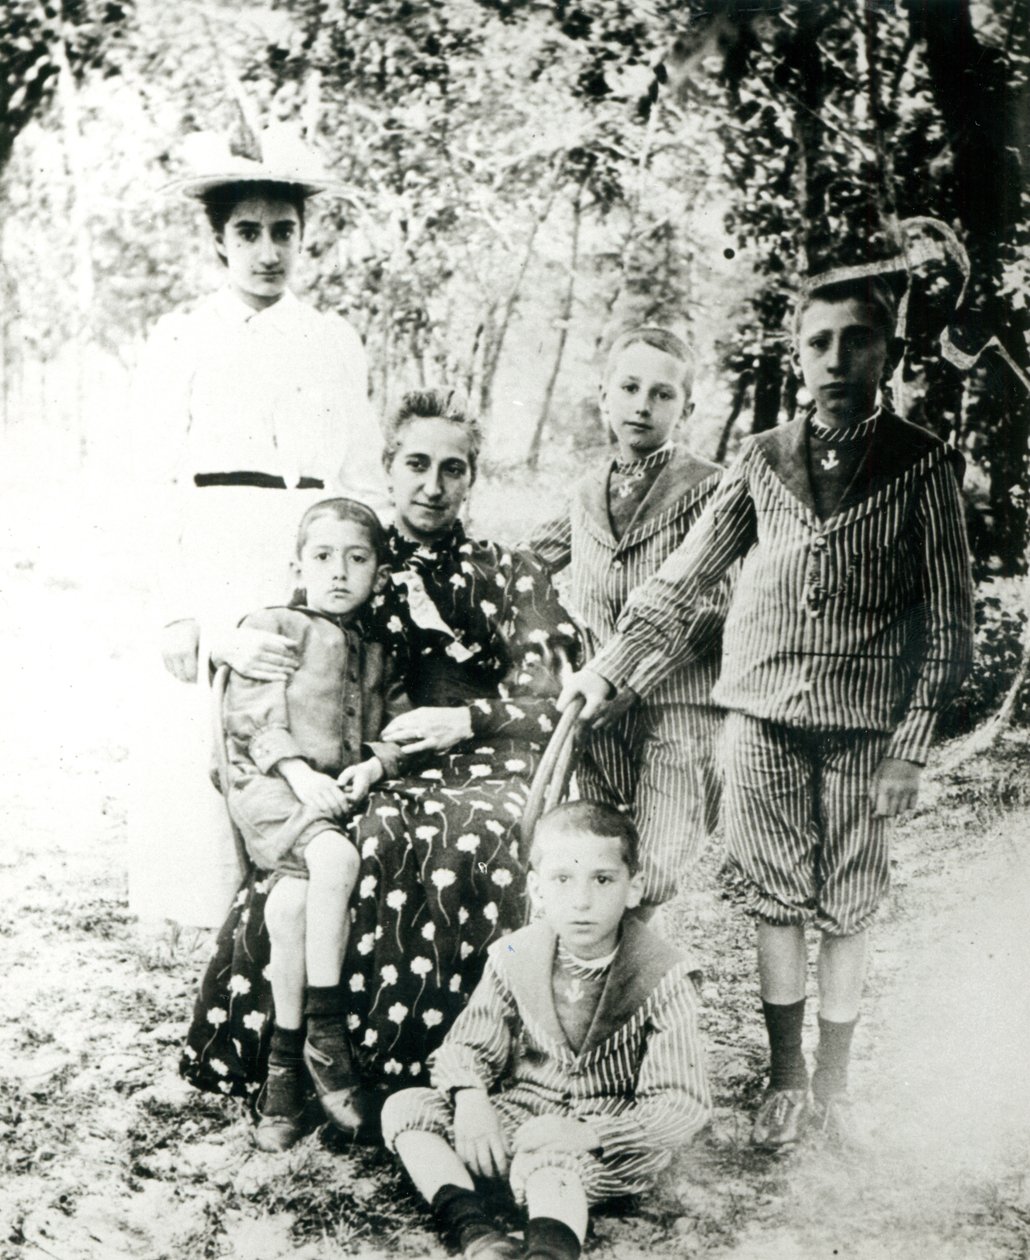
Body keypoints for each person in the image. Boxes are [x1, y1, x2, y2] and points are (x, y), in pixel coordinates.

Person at [559, 274, 974, 1150]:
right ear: (796, 355)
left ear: (892, 354)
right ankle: (787, 1080)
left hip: (865, 727)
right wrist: (607, 667)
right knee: (776, 898)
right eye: (819, 341)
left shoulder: (922, 462)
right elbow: (684, 579)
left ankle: (835, 1085)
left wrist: (910, 746)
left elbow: (949, 622)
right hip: (757, 716)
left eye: (858, 340)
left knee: (849, 899)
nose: (837, 358)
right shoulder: (762, 458)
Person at [181, 389, 582, 1128]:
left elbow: (559, 696)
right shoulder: (356, 555)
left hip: (486, 760)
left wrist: (469, 719)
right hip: (362, 762)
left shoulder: (508, 572)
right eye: (416, 464)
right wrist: (224, 638)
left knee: (477, 835)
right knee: (359, 840)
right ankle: (320, 1057)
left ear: (473, 477)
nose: (432, 485)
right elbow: (285, 643)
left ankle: (463, 1063)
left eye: (453, 469)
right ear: (389, 467)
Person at [128, 125, 388, 930]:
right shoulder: (180, 338)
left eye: (284, 232)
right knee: (206, 728)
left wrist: (354, 577)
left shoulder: (331, 339)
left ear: (304, 238)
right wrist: (182, 613)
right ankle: (204, 915)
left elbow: (362, 476)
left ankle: (296, 903)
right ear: (218, 240)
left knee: (299, 718)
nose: (268, 252)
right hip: (215, 547)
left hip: (308, 552)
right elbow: (147, 482)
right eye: (248, 232)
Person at [380, 800, 711, 1260]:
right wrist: (470, 1098)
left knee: (550, 1164)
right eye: (562, 880)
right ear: (536, 889)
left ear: (634, 888)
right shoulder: (517, 953)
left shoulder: (664, 974)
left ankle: (549, 1251)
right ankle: (474, 1231)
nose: (581, 901)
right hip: (521, 1116)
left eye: (602, 879)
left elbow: (681, 1102)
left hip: (601, 1137)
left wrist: (587, 1134)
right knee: (405, 1107)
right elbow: (469, 1044)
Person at [222, 498, 418, 1150]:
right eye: (324, 556)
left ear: (378, 575)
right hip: (272, 789)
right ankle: (328, 1039)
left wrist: (375, 763)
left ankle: (282, 1073)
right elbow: (251, 716)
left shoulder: (377, 647)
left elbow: (399, 727)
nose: (339, 571)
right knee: (337, 860)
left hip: (329, 799)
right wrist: (299, 774)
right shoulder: (276, 626)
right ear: (297, 566)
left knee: (291, 908)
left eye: (357, 559)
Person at [526, 326, 730, 908]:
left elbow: (714, 607)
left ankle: (645, 964)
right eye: (630, 388)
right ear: (604, 396)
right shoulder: (587, 491)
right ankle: (607, 966)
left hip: (680, 706)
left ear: (686, 409)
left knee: (654, 869)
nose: (643, 405)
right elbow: (526, 563)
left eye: (663, 394)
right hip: (599, 716)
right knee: (601, 856)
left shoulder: (712, 489)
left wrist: (631, 682)